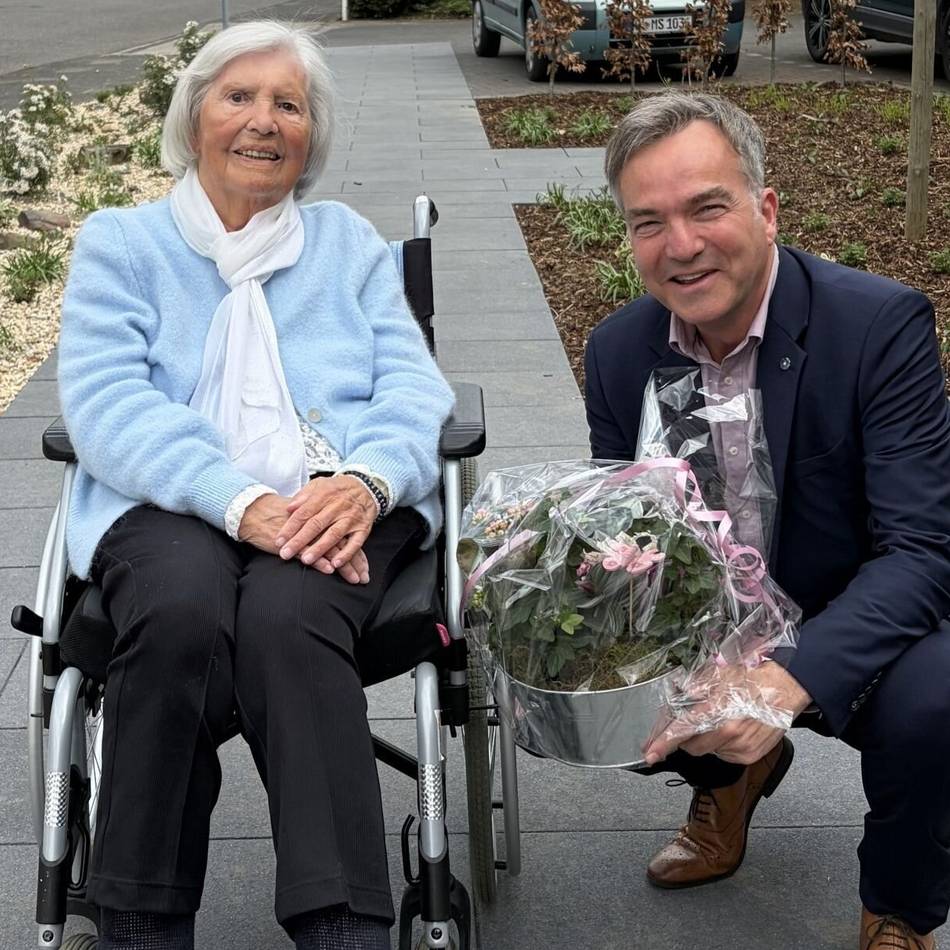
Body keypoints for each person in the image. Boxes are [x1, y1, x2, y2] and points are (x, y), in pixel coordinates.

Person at [57, 21, 455, 950]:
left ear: (310, 135)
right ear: (193, 118)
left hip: (337, 501)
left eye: (289, 104)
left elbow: (412, 387)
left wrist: (365, 481)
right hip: (166, 501)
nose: (264, 121)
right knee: (181, 606)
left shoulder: (347, 245)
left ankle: (339, 923)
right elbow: (107, 402)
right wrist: (239, 502)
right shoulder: (121, 243)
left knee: (287, 618)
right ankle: (140, 919)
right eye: (239, 98)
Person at [585, 92, 950, 950]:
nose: (681, 246)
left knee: (936, 703)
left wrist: (785, 679)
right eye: (649, 222)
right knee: (624, 652)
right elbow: (630, 526)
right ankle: (727, 783)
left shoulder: (877, 325)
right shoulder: (618, 350)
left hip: (856, 611)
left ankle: (898, 907)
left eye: (707, 207)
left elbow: (923, 551)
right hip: (719, 613)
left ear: (765, 207)